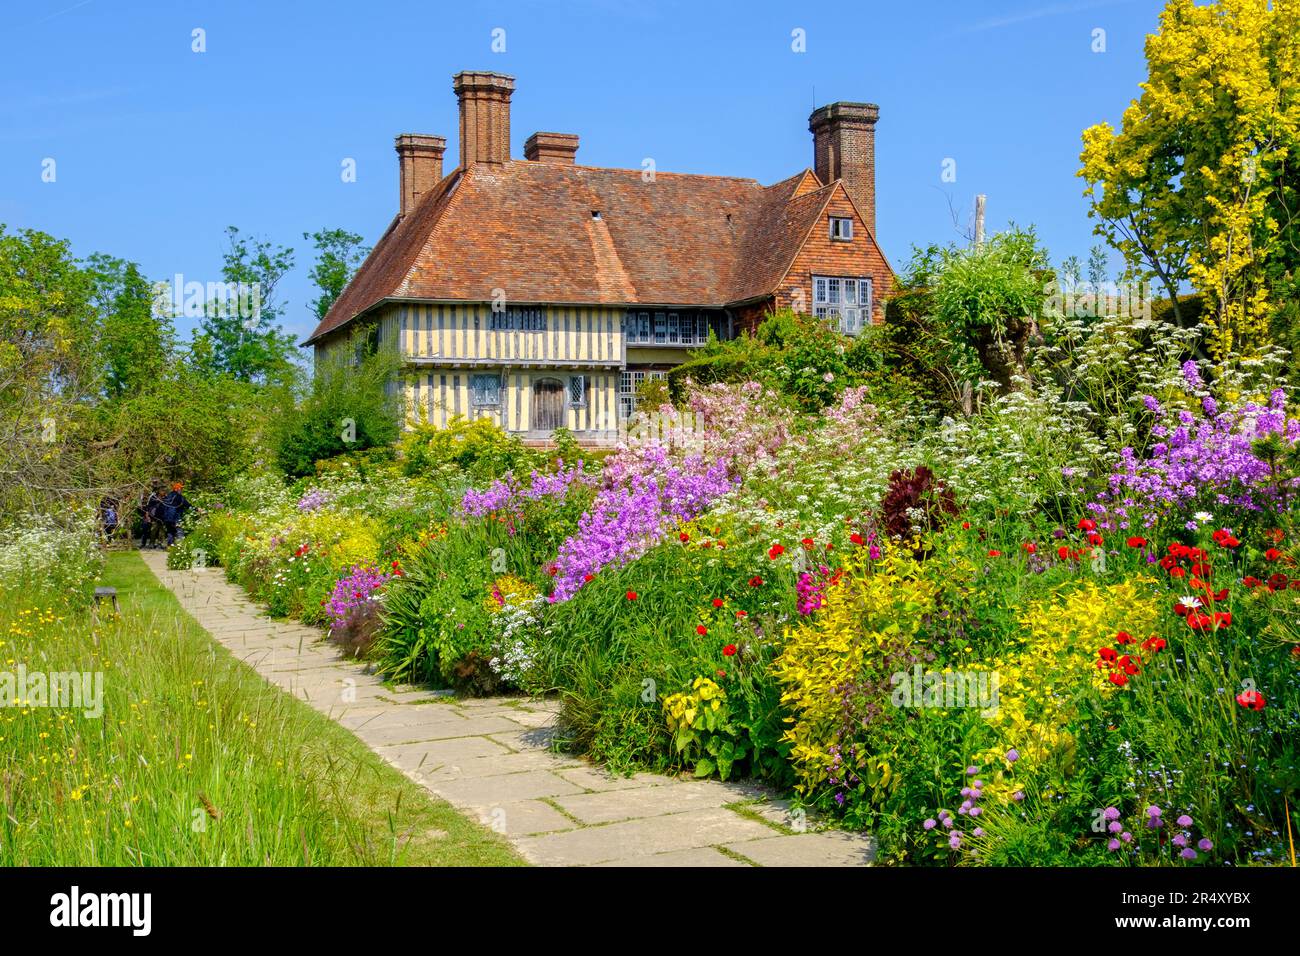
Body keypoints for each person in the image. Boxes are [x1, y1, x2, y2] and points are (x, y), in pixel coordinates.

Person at [161, 481, 191, 547]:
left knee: (170, 531)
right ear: (177, 489)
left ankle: (170, 546)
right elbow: (188, 505)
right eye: (181, 488)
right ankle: (181, 546)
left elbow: (162, 506)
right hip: (175, 517)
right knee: (179, 530)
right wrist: (197, 509)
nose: (182, 490)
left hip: (167, 518)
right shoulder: (179, 497)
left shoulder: (168, 496)